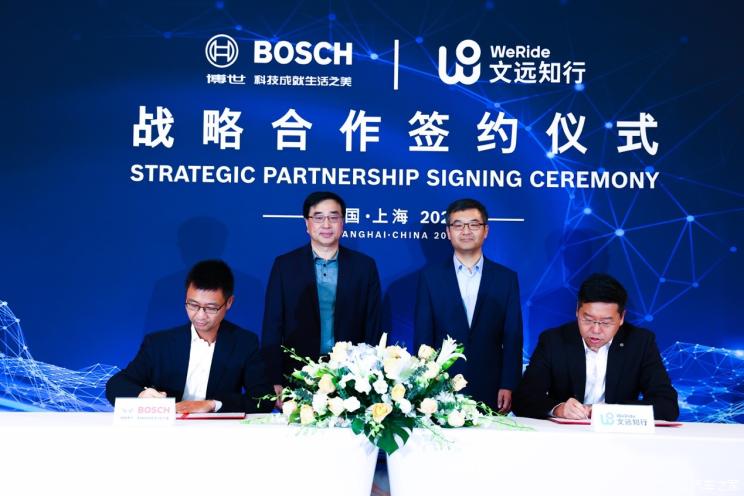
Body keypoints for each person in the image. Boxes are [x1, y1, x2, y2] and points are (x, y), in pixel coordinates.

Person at [106, 260, 273, 413]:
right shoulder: (159, 344)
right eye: (193, 305)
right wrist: (142, 395)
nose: (200, 315)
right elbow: (116, 385)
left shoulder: (244, 343)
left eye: (211, 308)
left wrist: (213, 404)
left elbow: (264, 399)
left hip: (218, 430)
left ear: (229, 302)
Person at [262, 191, 382, 399]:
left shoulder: (364, 267)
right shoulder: (285, 266)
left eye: (333, 217)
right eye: (318, 218)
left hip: (352, 376)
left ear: (343, 223)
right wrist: (273, 378)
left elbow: (373, 325)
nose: (326, 225)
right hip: (297, 374)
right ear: (307, 224)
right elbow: (272, 325)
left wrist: (373, 374)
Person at [513, 273, 679, 420]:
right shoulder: (553, 341)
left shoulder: (640, 343)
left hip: (619, 437)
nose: (596, 330)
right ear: (577, 311)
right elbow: (523, 399)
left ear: (621, 318)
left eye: (606, 322)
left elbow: (667, 405)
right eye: (588, 320)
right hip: (565, 435)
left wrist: (611, 412)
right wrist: (558, 409)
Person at [414, 198, 523, 413]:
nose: (466, 231)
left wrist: (509, 384)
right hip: (442, 385)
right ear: (448, 232)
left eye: (474, 224)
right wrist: (424, 382)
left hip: (492, 385)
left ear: (486, 230)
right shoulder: (430, 277)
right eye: (458, 225)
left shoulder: (506, 278)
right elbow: (423, 337)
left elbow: (513, 336)